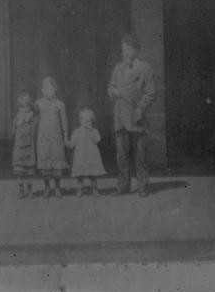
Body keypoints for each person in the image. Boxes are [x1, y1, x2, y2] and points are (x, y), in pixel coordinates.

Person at [107, 33, 155, 197]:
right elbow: (111, 86)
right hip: (120, 117)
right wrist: (112, 91)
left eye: (128, 49)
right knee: (122, 155)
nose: (125, 53)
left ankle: (143, 187)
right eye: (123, 50)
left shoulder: (145, 69)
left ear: (136, 50)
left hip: (136, 117)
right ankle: (123, 187)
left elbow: (150, 94)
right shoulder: (118, 68)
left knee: (140, 155)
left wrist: (140, 110)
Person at [35, 76, 69, 198]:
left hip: (56, 137)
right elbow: (35, 120)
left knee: (57, 163)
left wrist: (66, 137)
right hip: (43, 137)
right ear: (42, 90)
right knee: (45, 163)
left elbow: (64, 122)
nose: (48, 91)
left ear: (55, 89)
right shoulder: (38, 103)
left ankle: (57, 187)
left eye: (50, 88)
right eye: (45, 88)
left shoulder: (60, 104)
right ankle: (47, 187)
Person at [66, 109, 106, 197]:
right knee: (80, 175)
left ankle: (94, 189)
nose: (88, 123)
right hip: (81, 156)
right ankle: (80, 189)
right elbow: (72, 143)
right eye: (86, 121)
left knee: (93, 174)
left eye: (90, 121)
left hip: (91, 155)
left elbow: (97, 140)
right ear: (81, 121)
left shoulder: (94, 131)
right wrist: (68, 143)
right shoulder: (77, 131)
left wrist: (91, 132)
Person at [11, 92, 38, 199]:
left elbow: (36, 130)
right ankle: (21, 189)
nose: (24, 109)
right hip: (19, 147)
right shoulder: (17, 119)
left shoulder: (34, 119)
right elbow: (13, 131)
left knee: (30, 171)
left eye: (26, 107)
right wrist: (17, 125)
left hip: (30, 147)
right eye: (21, 107)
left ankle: (30, 189)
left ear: (30, 107)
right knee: (19, 171)